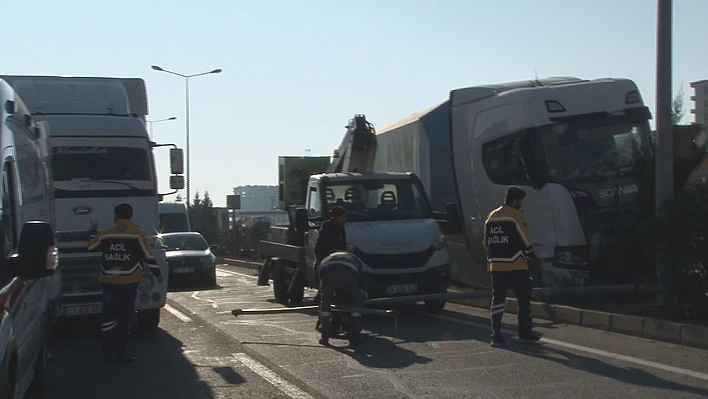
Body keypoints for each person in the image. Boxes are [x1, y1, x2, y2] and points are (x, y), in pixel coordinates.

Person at [87, 203, 163, 364]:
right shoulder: (137, 233)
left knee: (108, 318)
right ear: (130, 216)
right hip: (129, 282)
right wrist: (157, 274)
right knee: (124, 319)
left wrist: (92, 232)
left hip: (108, 282)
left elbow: (91, 246)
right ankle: (121, 354)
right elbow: (148, 256)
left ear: (116, 216)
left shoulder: (107, 233)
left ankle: (107, 354)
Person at [483, 186, 541, 347]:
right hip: (516, 264)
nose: (521, 204)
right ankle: (525, 333)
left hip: (495, 266)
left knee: (498, 300)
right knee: (523, 298)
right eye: (520, 201)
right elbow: (526, 240)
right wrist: (531, 255)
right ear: (515, 201)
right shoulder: (516, 215)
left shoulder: (491, 217)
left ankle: (496, 335)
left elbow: (486, 242)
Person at [317, 251, 367, 347]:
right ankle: (354, 335)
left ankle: (325, 336)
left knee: (325, 305)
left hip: (327, 274)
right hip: (347, 275)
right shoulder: (354, 259)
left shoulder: (327, 258)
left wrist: (326, 291)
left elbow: (320, 275)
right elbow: (361, 279)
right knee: (356, 304)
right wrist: (362, 290)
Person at [312, 205, 347, 303]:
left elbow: (342, 245)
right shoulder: (327, 229)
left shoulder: (341, 228)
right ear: (336, 217)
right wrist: (323, 261)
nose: (344, 219)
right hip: (327, 262)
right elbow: (319, 247)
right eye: (342, 217)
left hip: (337, 261)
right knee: (325, 290)